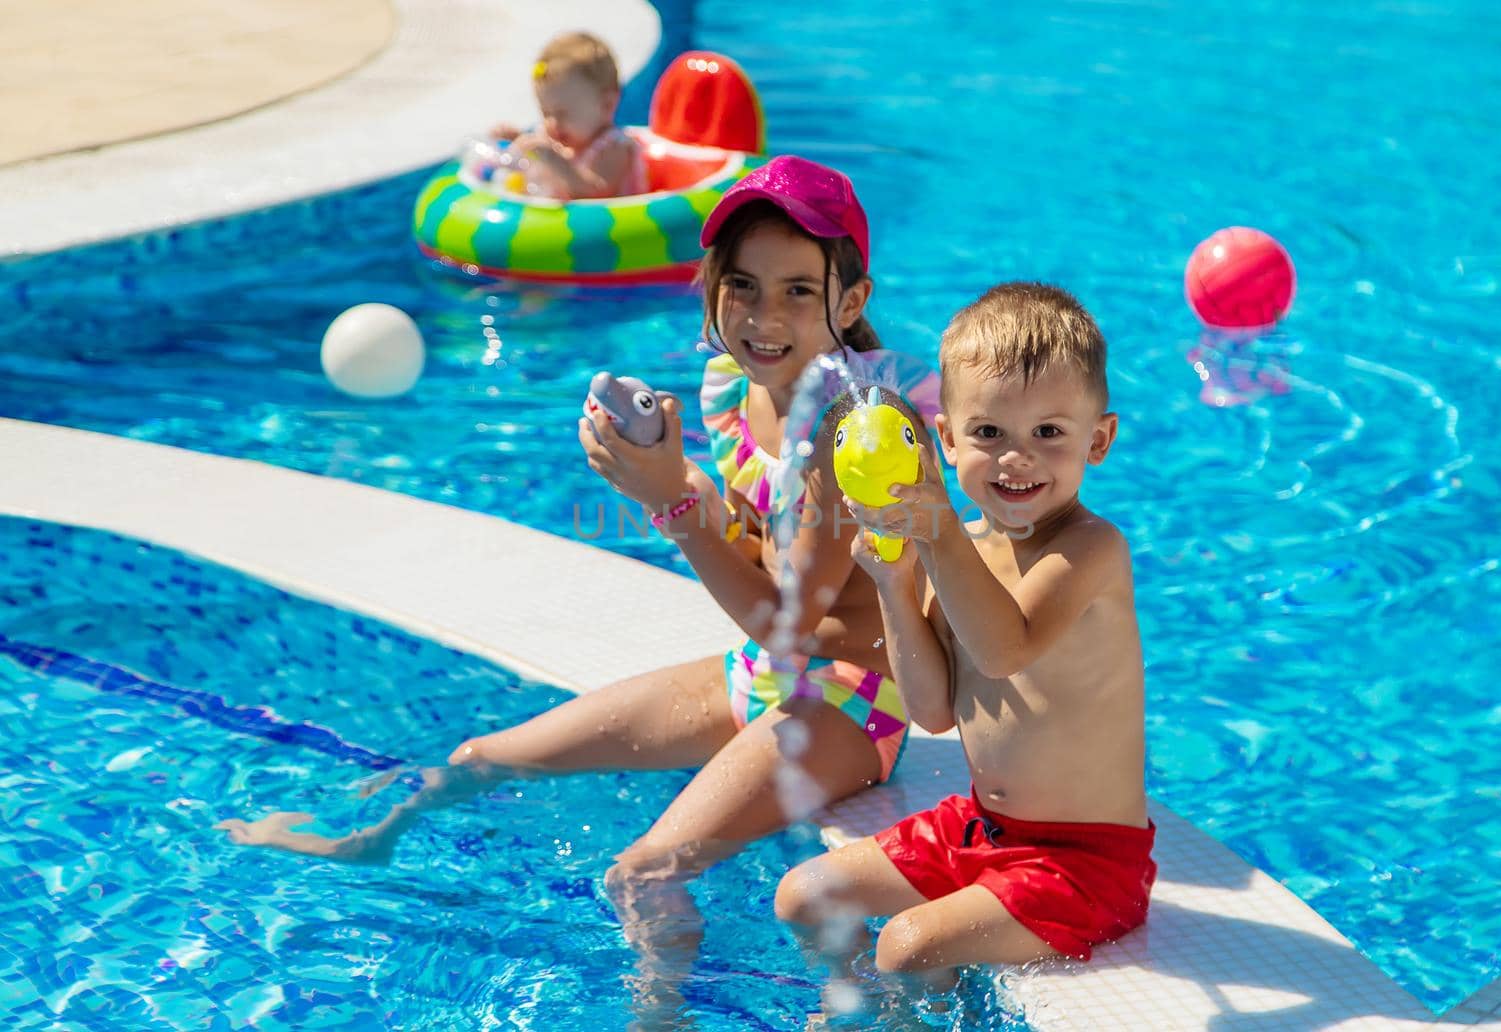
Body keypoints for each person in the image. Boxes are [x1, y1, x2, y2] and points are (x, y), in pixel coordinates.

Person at [217, 155, 941, 1021]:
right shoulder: (727, 387)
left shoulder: (856, 434)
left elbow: (788, 620)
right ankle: (363, 843)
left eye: (796, 291)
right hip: (761, 674)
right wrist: (686, 486)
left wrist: (669, 501)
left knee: (643, 874)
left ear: (850, 304)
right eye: (742, 285)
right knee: (480, 757)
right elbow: (756, 546)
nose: (762, 315)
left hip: (849, 705)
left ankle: (660, 1015)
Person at [773, 282, 1156, 1009]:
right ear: (945, 439)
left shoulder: (1090, 550)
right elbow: (932, 711)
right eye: (989, 434)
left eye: (1049, 432)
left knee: (909, 943)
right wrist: (894, 583)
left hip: (1088, 865)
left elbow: (1006, 649)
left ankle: (912, 1010)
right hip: (984, 828)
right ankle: (881, 1010)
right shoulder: (964, 551)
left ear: (1098, 441)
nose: (1017, 459)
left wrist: (941, 533)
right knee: (804, 895)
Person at [487, 31, 645, 199]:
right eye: (545, 113)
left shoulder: (614, 147)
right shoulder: (557, 138)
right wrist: (518, 140)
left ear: (607, 105)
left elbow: (597, 192)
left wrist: (555, 160)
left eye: (563, 114)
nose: (552, 123)